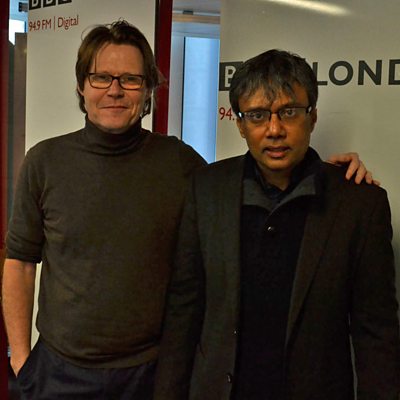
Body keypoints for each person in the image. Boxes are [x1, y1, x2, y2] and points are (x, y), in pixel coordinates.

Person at [0, 19, 374, 399]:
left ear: (148, 89)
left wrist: (328, 177)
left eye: (130, 79)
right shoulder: (44, 162)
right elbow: (20, 263)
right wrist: (22, 362)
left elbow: (254, 173)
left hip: (152, 374)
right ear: (82, 85)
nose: (115, 90)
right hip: (59, 374)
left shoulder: (181, 164)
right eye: (101, 77)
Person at [153, 49, 400, 400]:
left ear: (312, 117)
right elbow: (184, 311)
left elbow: (376, 332)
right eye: (257, 115)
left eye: (289, 112)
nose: (274, 130)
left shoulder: (359, 203)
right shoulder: (206, 189)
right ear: (240, 124)